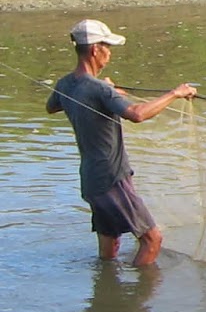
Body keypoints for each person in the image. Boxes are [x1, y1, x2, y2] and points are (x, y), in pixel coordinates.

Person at [46, 19, 197, 267]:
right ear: (95, 49)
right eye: (107, 47)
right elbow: (137, 114)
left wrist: (104, 93)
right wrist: (175, 94)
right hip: (112, 177)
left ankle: (106, 296)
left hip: (91, 178)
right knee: (152, 240)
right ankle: (135, 302)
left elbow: (51, 106)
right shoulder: (98, 90)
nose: (110, 53)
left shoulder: (66, 84)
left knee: (110, 242)